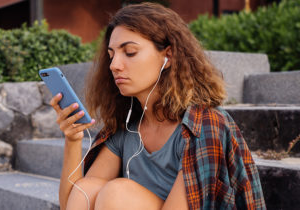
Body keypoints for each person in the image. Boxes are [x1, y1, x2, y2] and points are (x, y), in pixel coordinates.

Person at [50, 2, 266, 210]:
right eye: (111, 55)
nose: (114, 65)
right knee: (88, 187)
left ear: (168, 56)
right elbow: (74, 203)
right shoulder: (125, 128)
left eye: (130, 52)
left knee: (117, 194)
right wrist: (72, 140)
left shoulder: (204, 125)